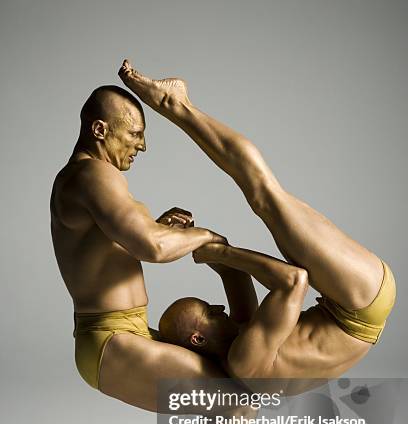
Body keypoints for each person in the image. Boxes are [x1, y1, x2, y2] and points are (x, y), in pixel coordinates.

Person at [51, 81, 259, 424]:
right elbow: (151, 247)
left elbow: (120, 243)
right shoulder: (92, 177)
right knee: (235, 402)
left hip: (120, 331)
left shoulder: (85, 180)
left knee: (229, 396)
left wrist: (161, 225)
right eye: (135, 134)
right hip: (109, 341)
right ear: (99, 129)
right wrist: (207, 238)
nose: (142, 145)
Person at [117, 61, 396, 390]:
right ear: (197, 338)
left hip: (354, 304)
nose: (218, 306)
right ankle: (175, 103)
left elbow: (232, 271)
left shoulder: (241, 341)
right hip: (360, 300)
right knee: (263, 193)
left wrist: (194, 240)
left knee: (264, 195)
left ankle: (177, 104)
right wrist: (220, 251)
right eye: (208, 311)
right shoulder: (245, 360)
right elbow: (294, 281)